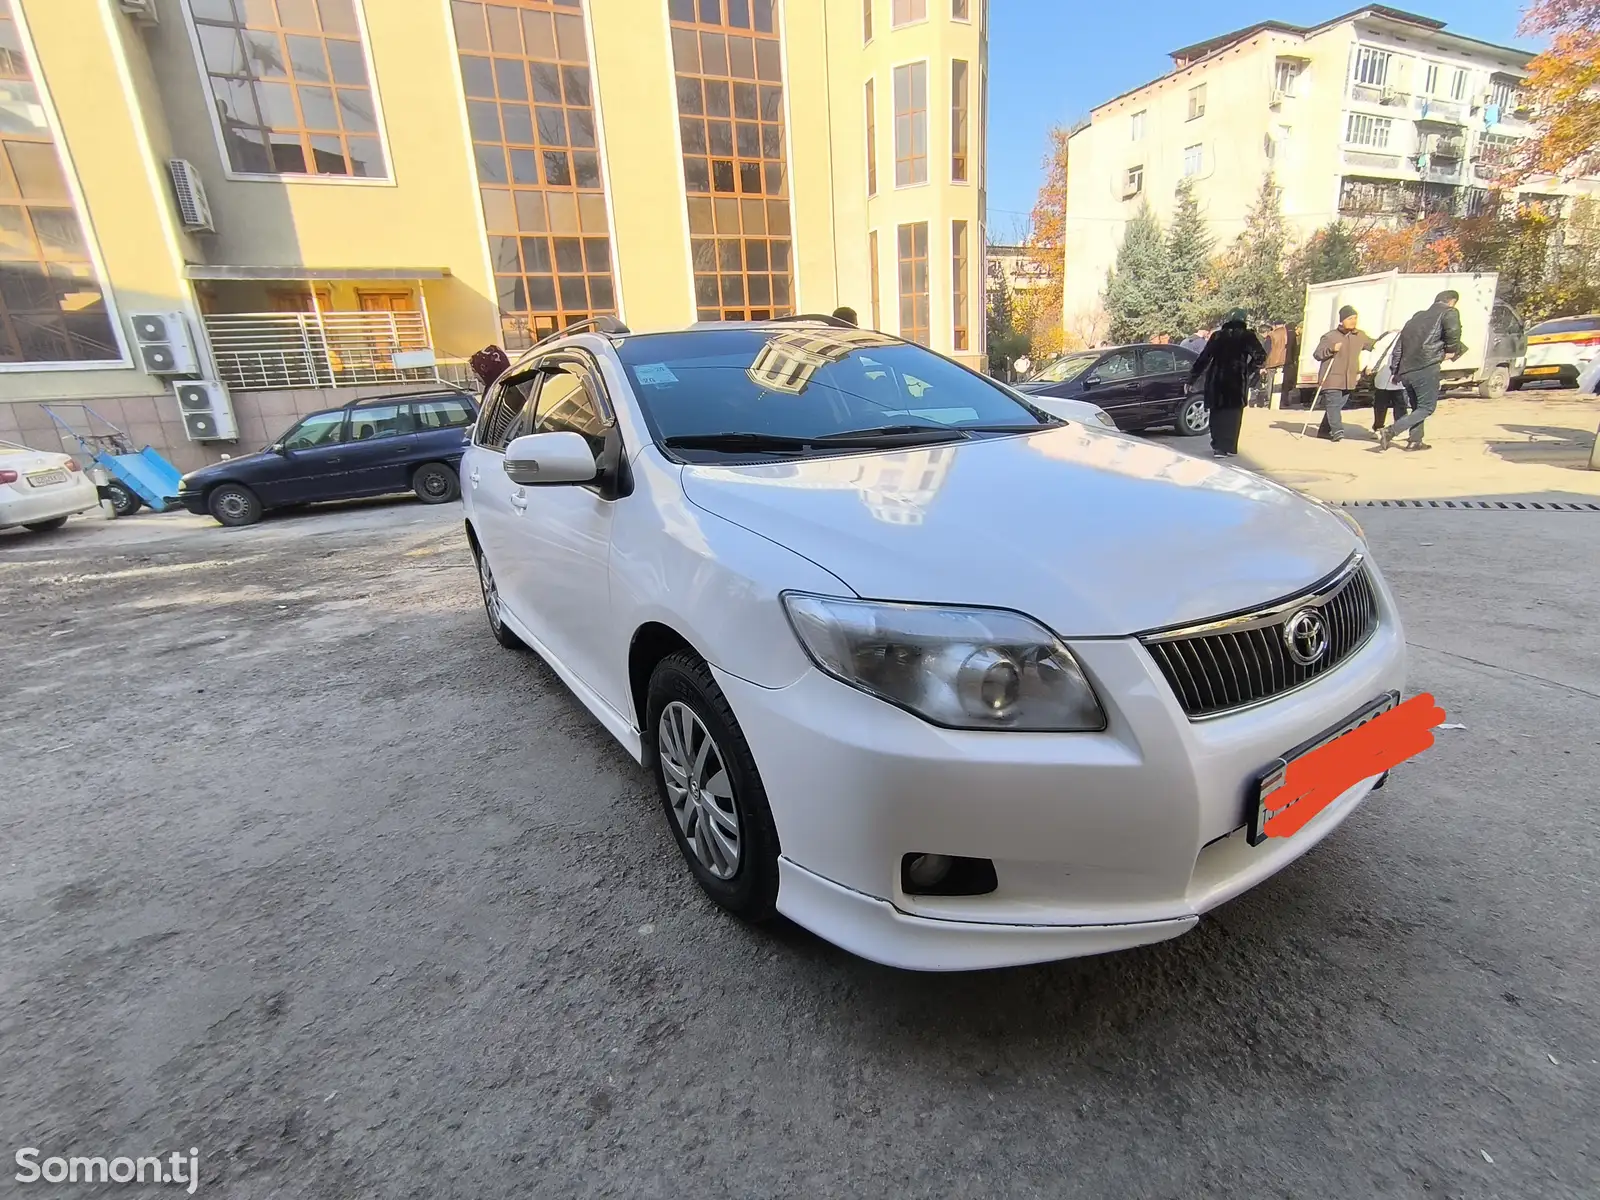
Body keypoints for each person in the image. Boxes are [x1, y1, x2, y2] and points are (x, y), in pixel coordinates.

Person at [1380, 290, 1466, 452]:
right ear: (1452, 301)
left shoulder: (1416, 317)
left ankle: (1415, 441)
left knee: (1417, 407)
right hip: (1426, 367)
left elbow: (1399, 346)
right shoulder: (1449, 312)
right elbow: (1453, 332)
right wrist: (1451, 350)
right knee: (1426, 407)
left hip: (1406, 370)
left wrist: (1396, 370)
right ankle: (1390, 431)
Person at [1189, 308, 1265, 459]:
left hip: (1216, 380)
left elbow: (1204, 358)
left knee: (1217, 414)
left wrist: (1192, 378)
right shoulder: (1247, 336)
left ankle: (1218, 447)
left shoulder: (1218, 336)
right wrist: (1247, 370)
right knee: (1234, 415)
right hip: (1236, 381)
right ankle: (1229, 446)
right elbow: (1261, 356)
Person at [1310, 305, 1375, 441]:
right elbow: (1317, 354)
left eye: (1355, 318)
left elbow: (1373, 345)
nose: (1353, 321)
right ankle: (1337, 431)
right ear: (1342, 320)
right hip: (1331, 378)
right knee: (1333, 405)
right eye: (1350, 318)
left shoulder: (1360, 335)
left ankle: (1323, 431)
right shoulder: (1330, 336)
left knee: (1336, 407)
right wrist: (1331, 349)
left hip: (1349, 379)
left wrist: (1387, 339)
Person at [1371, 335, 1409, 433]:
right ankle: (1380, 427)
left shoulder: (1389, 336)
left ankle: (1396, 428)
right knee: (1389, 404)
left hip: (1394, 377)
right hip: (1387, 376)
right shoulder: (1391, 337)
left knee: (1395, 404)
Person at [1256, 321, 1288, 408]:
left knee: (1270, 382)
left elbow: (1266, 351)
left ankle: (1270, 401)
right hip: (1283, 361)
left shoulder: (1271, 336)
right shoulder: (1286, 333)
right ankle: (1282, 401)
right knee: (1281, 382)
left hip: (1272, 362)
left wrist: (1263, 365)